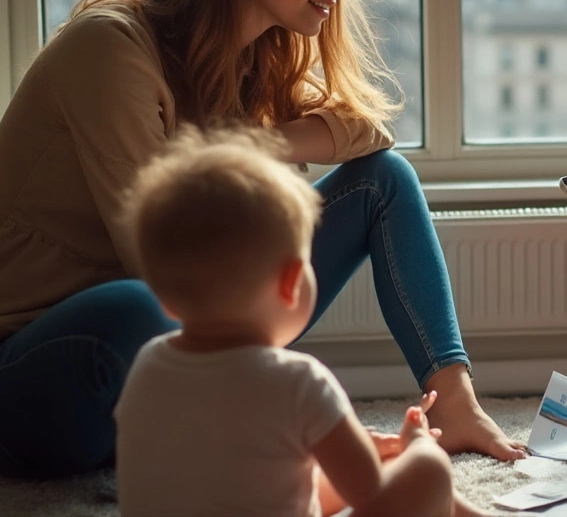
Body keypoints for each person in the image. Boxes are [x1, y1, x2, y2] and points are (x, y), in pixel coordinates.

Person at [0, 0, 523, 478]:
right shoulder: (110, 50)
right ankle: (237, 433)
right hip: (32, 373)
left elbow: (368, 133)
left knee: (382, 182)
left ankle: (455, 404)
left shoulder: (249, 58)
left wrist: (242, 144)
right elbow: (164, 265)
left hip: (178, 362)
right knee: (144, 305)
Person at [116, 128, 491, 517]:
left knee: (307, 477)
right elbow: (370, 492)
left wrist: (344, 446)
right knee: (427, 470)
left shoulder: (146, 366)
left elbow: (242, 471)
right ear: (293, 282)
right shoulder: (300, 382)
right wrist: (416, 444)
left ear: (166, 301)